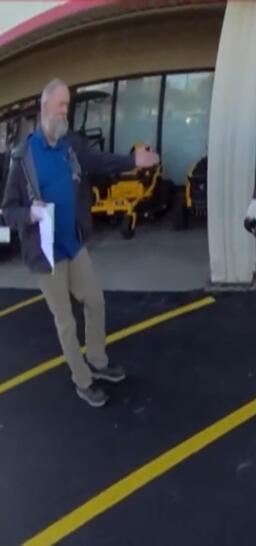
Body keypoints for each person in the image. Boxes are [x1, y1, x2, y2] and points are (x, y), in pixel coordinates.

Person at [1, 78, 159, 407]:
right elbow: (8, 210)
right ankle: (82, 380)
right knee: (66, 321)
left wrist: (133, 161)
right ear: (45, 107)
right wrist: (30, 213)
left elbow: (99, 161)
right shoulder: (23, 157)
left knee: (95, 302)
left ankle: (98, 362)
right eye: (61, 105)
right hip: (46, 254)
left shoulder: (70, 145)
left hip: (73, 244)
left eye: (67, 106)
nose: (65, 112)